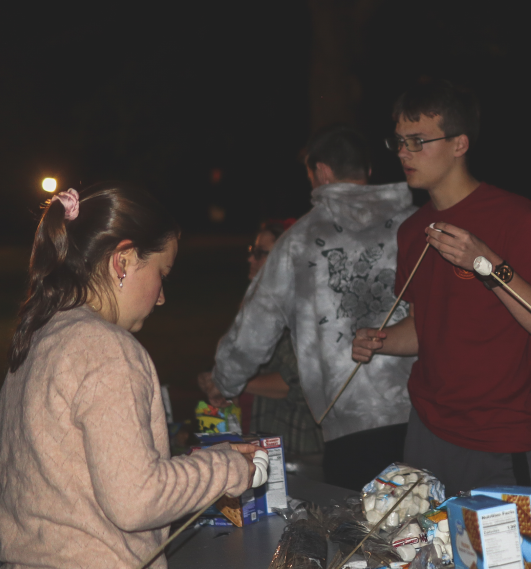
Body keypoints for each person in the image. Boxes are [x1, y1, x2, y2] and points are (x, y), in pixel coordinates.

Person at [0, 184, 257, 568]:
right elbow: (136, 499)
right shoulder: (106, 349)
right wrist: (228, 468)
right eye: (161, 273)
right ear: (123, 261)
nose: (160, 297)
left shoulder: (38, 336)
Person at [352, 79, 531, 494]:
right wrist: (380, 340)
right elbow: (422, 328)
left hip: (499, 436)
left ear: (459, 143)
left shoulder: (513, 215)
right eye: (398, 142)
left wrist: (486, 264)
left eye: (417, 141)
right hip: (428, 429)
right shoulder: (413, 230)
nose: (403, 153)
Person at [208, 125, 417, 491]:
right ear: (367, 171)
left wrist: (225, 381)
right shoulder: (414, 226)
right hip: (425, 423)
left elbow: (253, 331)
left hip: (352, 431)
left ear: (321, 172)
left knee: (362, 542)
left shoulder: (298, 242)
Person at [198, 218, 326, 457]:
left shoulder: (300, 310)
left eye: (260, 253)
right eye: (251, 251)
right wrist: (213, 379)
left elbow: (294, 381)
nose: (251, 259)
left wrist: (229, 382)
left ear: (284, 260)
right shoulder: (254, 306)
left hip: (293, 449)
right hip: (256, 441)